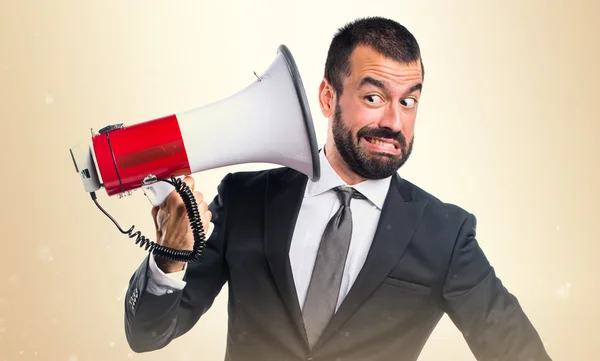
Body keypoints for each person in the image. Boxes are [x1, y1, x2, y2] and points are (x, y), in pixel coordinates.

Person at [123, 16, 553, 361]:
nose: (393, 122)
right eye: (373, 97)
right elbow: (147, 336)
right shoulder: (245, 199)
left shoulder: (445, 233)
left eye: (408, 100)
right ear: (328, 98)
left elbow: (516, 350)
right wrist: (170, 255)